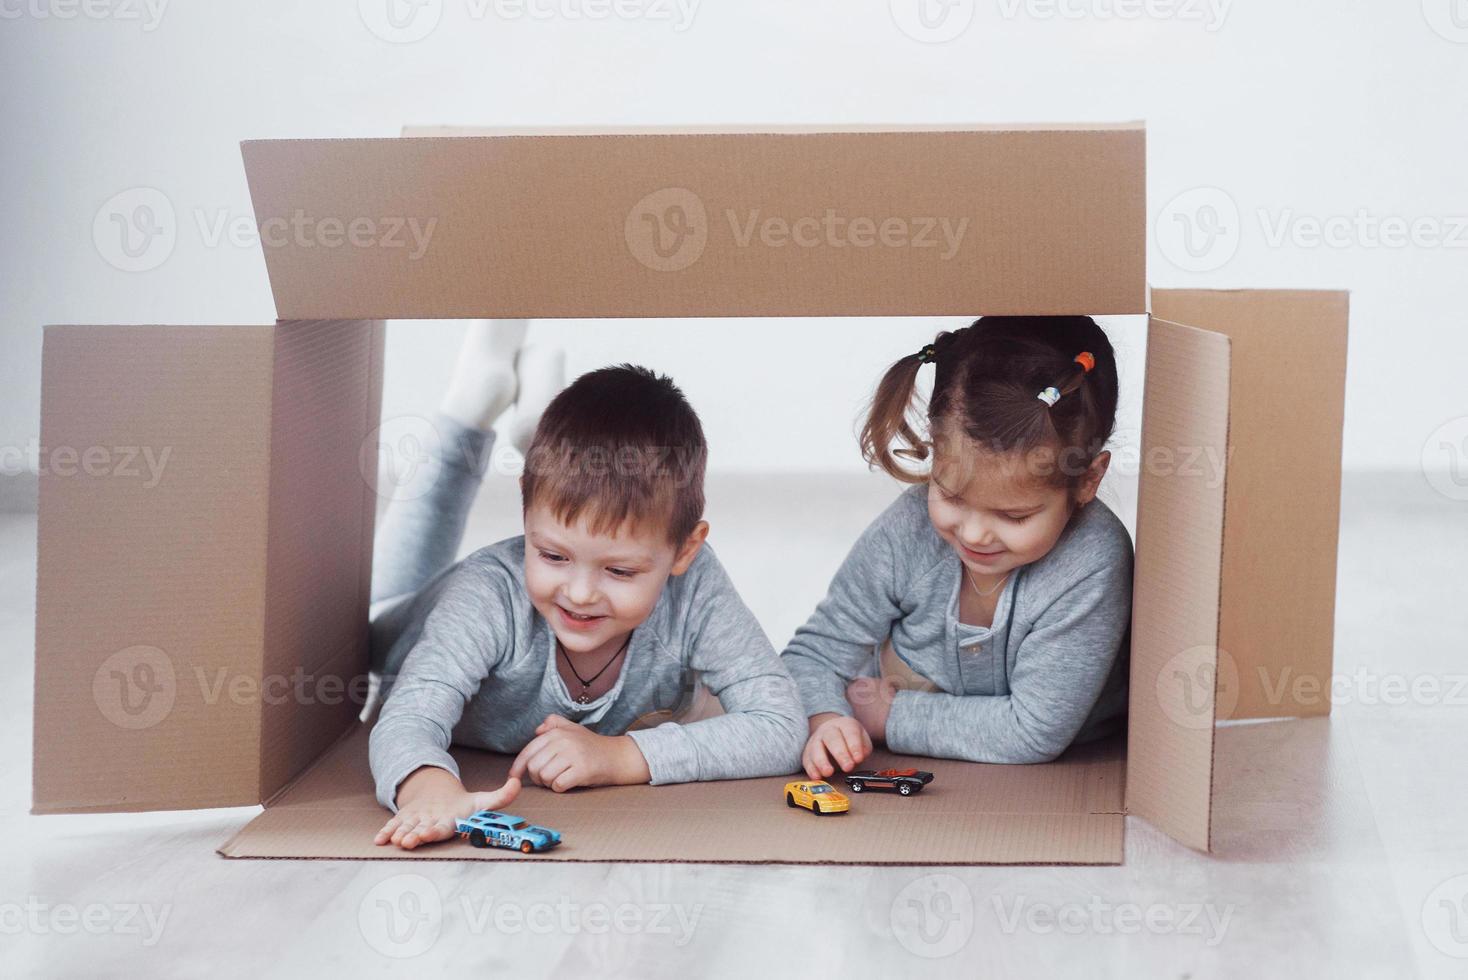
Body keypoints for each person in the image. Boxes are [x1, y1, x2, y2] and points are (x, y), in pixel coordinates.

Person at [367, 321, 804, 850]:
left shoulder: (693, 585)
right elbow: (407, 718)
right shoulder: (489, 596)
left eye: (619, 572)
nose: (578, 593)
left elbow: (780, 724)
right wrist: (429, 789)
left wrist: (621, 756)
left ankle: (532, 429)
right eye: (551, 555)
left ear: (685, 550)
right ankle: (470, 407)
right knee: (371, 620)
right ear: (525, 522)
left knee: (581, 516)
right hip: (398, 633)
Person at [784, 316, 1133, 780]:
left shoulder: (1091, 559)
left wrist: (882, 713)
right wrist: (826, 718)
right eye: (950, 495)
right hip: (893, 702)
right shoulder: (910, 527)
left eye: (1014, 516)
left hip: (1037, 761)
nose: (973, 535)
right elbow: (815, 654)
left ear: (1088, 479)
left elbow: (1032, 731)